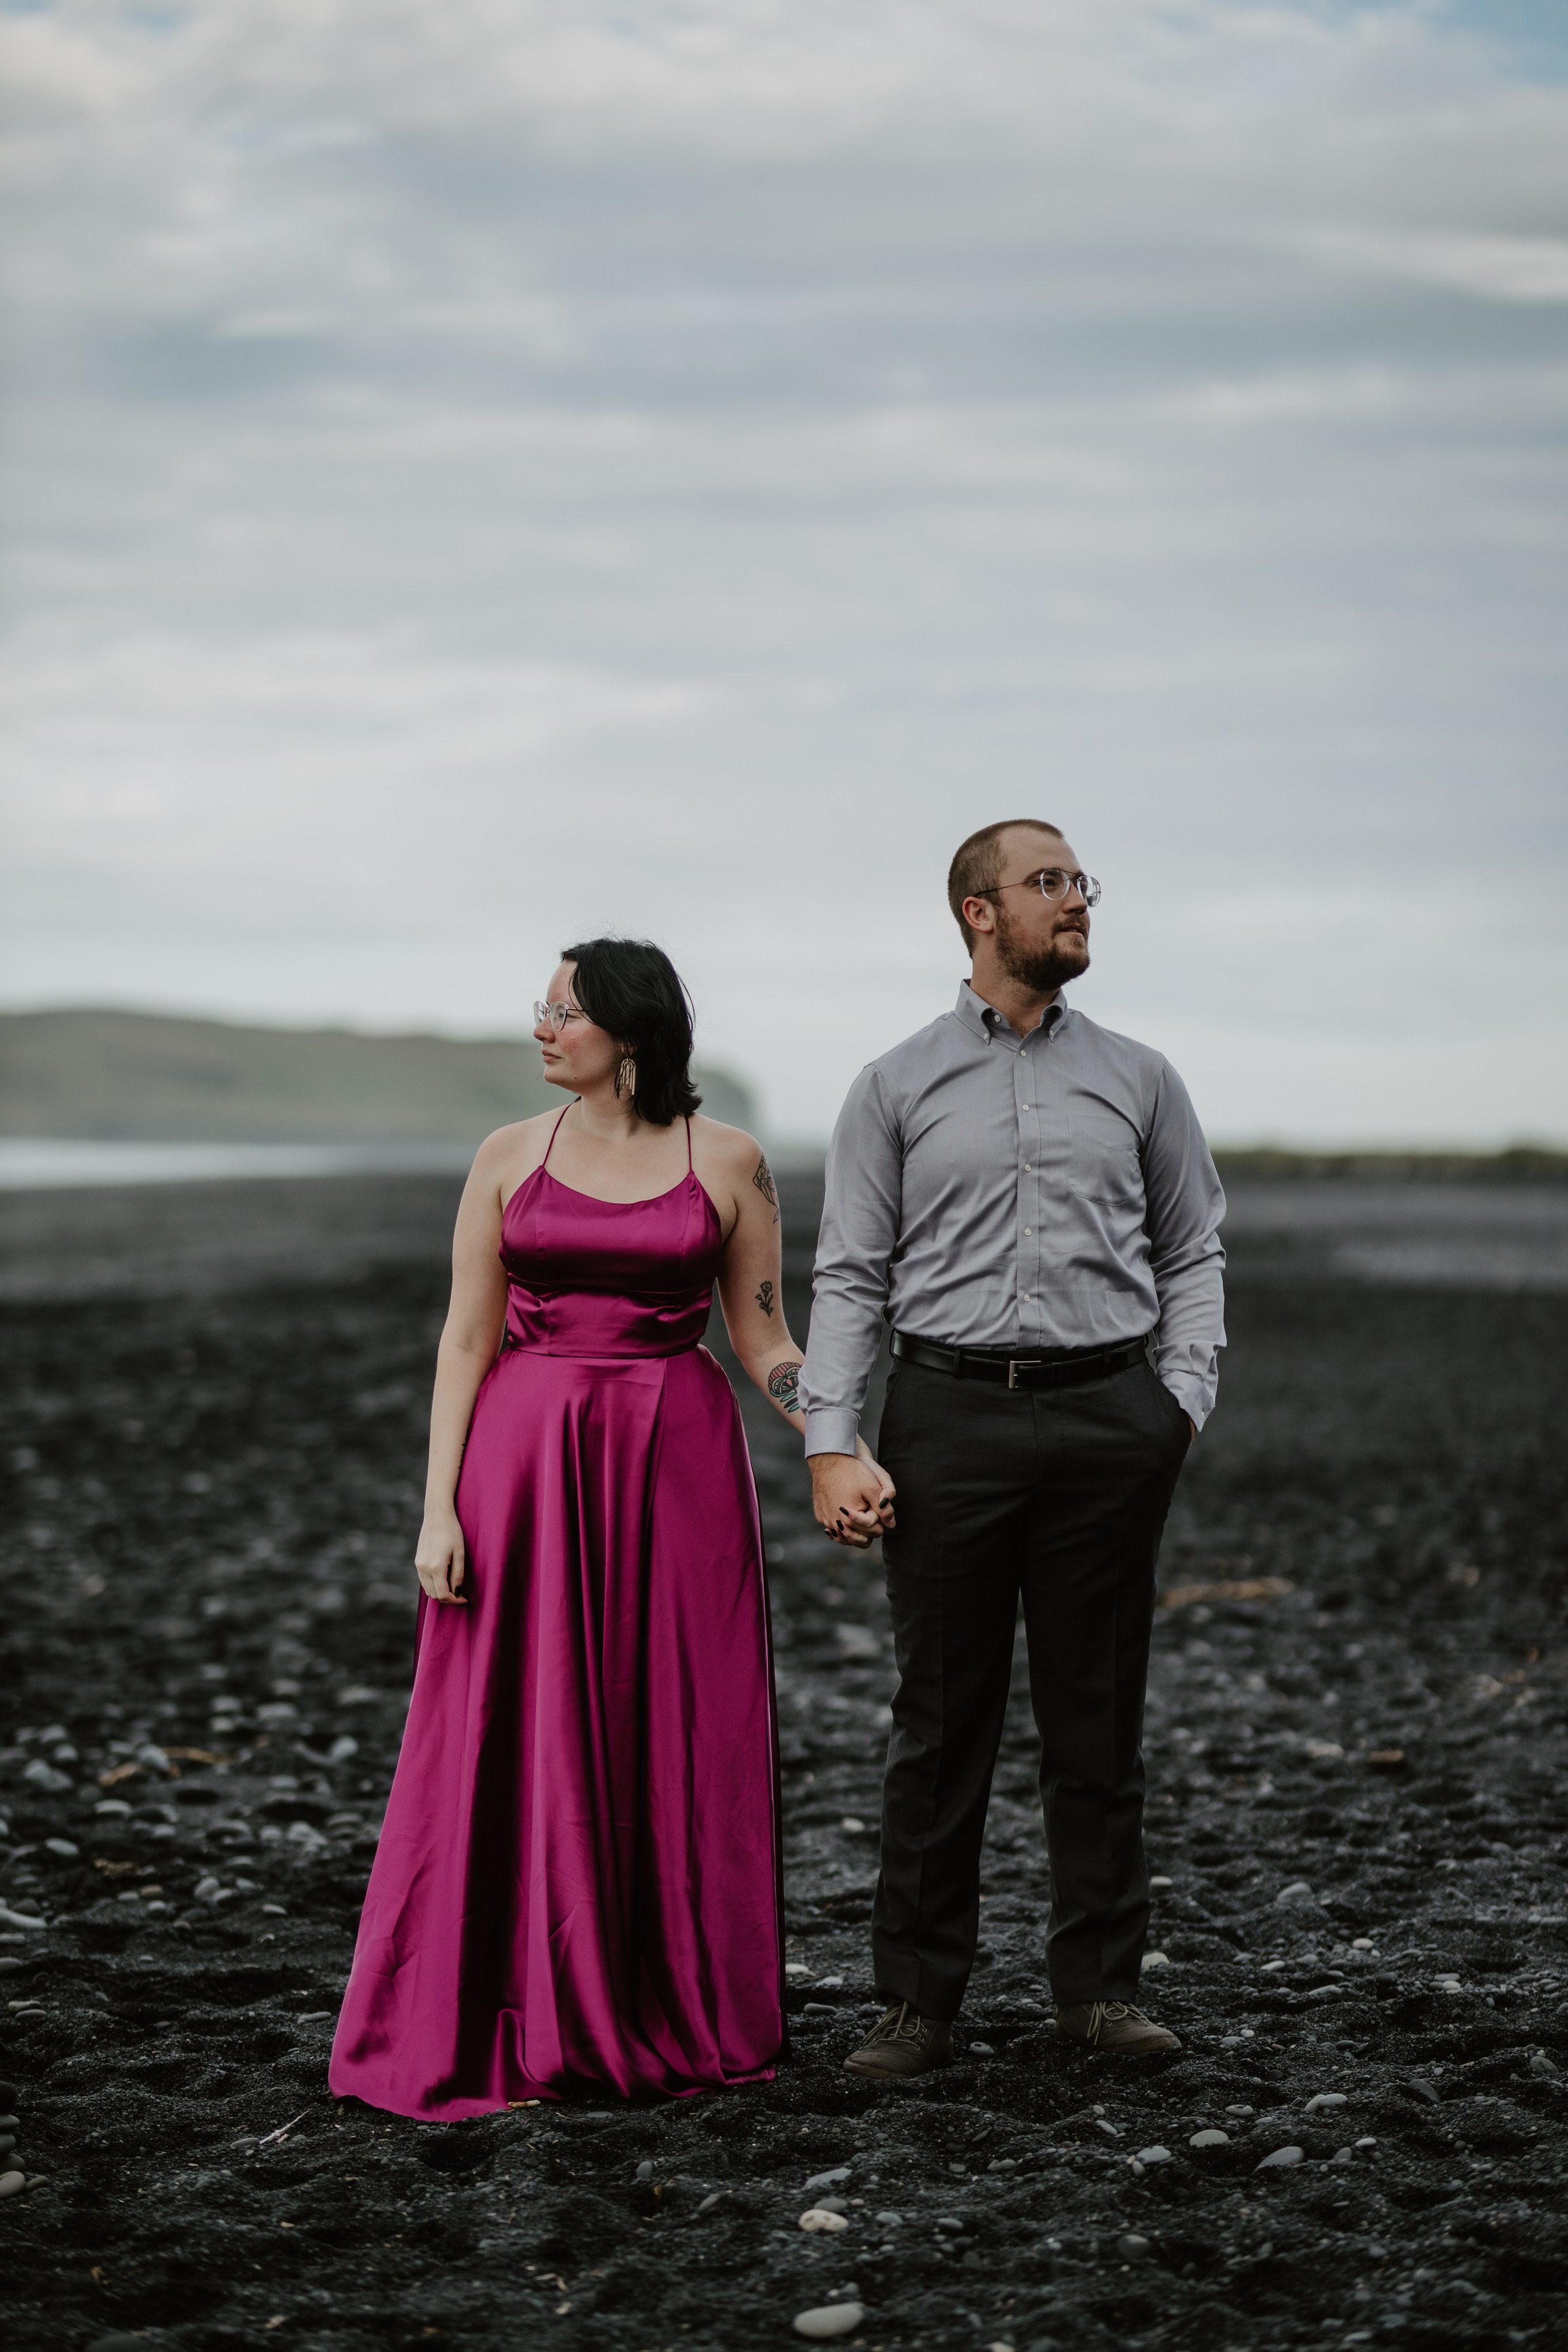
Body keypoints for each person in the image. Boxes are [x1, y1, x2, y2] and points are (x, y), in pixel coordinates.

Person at [330, 937, 888, 2116]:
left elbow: (766, 1342)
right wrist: (436, 1512)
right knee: (508, 1724)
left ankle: (653, 1992)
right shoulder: (505, 1156)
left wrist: (834, 1442)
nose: (543, 1026)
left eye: (565, 1009)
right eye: (543, 1006)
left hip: (678, 1464)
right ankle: (512, 1997)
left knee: (671, 1720)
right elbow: (465, 1343)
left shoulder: (726, 1160)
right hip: (524, 1463)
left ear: (629, 1032)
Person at [799, 821, 1226, 2074]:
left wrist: (1178, 1402)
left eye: (1079, 882)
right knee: (940, 1721)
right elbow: (850, 1273)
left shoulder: (1140, 1077)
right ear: (977, 915)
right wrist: (833, 1441)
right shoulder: (895, 1083)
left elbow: (1191, 1243)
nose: (1076, 902)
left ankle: (1095, 1992)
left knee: (1096, 1716)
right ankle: (917, 2003)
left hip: (1110, 1417)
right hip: (947, 1419)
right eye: (1048, 884)